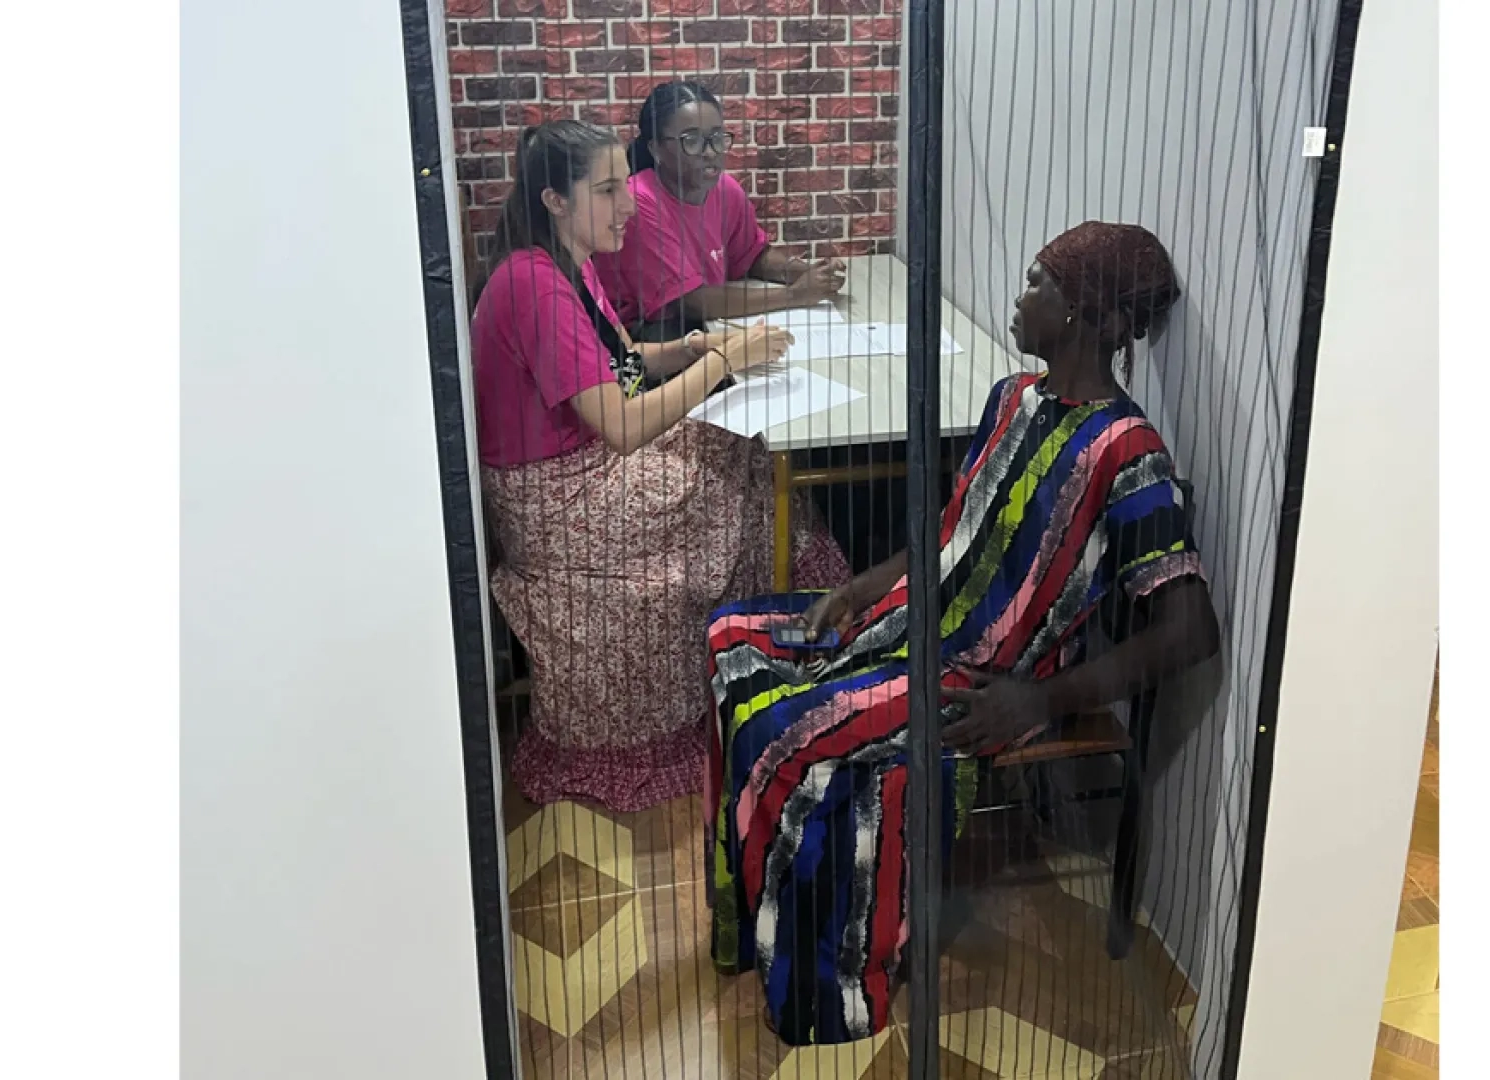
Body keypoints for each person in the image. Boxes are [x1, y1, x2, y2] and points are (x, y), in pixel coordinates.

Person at [702, 222, 1223, 1044]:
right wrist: (860, 585)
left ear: (1086, 313)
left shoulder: (1129, 454)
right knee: (732, 634)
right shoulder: (1014, 399)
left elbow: (1191, 629)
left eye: (1036, 284)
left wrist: (1038, 699)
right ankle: (754, 917)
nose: (1020, 301)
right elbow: (951, 530)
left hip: (982, 672)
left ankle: (825, 985)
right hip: (916, 615)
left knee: (787, 730)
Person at [473, 120, 850, 812]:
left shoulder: (567, 260)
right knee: (734, 464)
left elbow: (620, 361)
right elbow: (619, 425)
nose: (629, 206)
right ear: (555, 199)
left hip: (581, 466)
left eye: (626, 185)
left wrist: (683, 351)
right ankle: (776, 646)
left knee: (744, 453)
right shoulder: (531, 284)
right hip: (555, 498)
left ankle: (771, 647)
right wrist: (721, 363)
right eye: (609, 189)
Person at [591, 80, 848, 349]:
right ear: (656, 149)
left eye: (716, 137)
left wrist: (805, 272)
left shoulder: (725, 188)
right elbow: (690, 302)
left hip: (706, 324)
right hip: (645, 340)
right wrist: (794, 294)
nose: (710, 152)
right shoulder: (637, 202)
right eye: (692, 141)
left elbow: (751, 255)